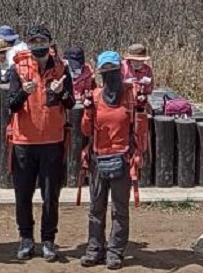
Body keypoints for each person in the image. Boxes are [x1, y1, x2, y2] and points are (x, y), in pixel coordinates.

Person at [7, 25, 74, 261]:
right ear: (28, 44)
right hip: (24, 141)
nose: (38, 45)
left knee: (50, 195)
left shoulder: (62, 68)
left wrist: (61, 92)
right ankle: (26, 238)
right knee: (23, 194)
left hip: (52, 142)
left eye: (42, 40)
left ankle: (48, 240)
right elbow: (11, 105)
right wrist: (24, 92)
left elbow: (70, 103)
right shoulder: (17, 67)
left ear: (49, 42)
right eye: (33, 41)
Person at [80, 51, 135, 270]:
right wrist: (86, 111)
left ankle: (115, 252)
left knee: (119, 209)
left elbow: (139, 128)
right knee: (96, 208)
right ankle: (94, 249)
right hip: (98, 158)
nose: (110, 75)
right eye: (105, 72)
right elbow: (86, 129)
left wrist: (137, 155)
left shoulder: (130, 96)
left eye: (113, 71)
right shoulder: (94, 96)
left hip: (122, 157)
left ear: (120, 72)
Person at [121, 43, 154, 109]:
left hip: (140, 103)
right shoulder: (122, 67)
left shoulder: (147, 69)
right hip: (123, 103)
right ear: (130, 59)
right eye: (135, 60)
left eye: (141, 60)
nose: (138, 63)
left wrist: (144, 95)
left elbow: (149, 87)